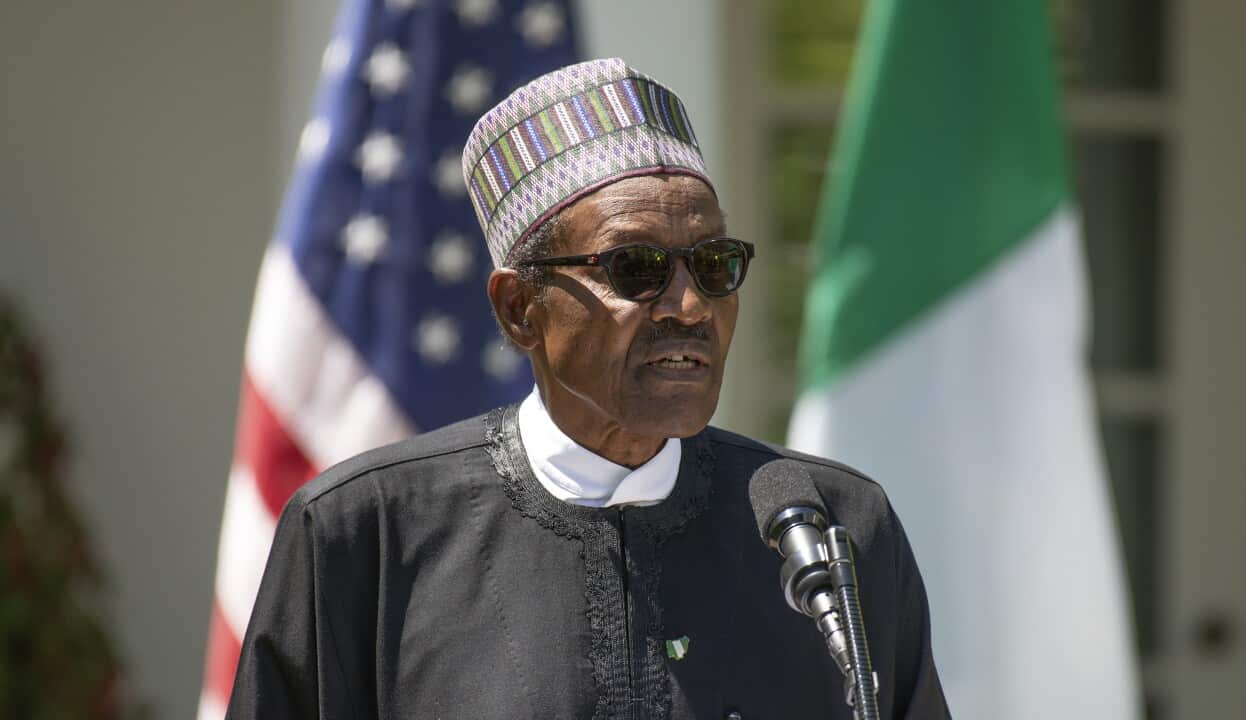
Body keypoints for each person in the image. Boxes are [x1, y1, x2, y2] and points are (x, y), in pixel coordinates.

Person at [227, 58, 948, 719]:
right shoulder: (365, 533)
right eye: (636, 268)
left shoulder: (831, 528)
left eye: (714, 265)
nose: (689, 307)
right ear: (520, 309)